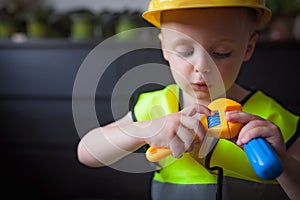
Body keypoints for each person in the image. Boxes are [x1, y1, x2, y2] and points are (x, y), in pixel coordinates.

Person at [77, 0, 300, 199]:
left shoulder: (273, 120)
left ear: (248, 48)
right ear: (164, 47)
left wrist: (284, 164)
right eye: (184, 51)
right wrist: (144, 130)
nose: (202, 67)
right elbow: (87, 151)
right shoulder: (155, 107)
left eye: (221, 52)